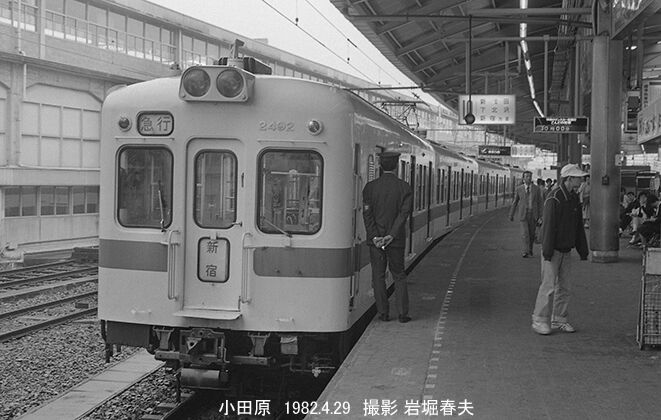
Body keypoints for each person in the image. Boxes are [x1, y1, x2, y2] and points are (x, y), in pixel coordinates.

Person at [531, 164, 589, 335]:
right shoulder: (554, 198)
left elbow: (578, 226)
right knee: (548, 286)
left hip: (565, 250)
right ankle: (539, 320)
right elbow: (548, 227)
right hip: (553, 250)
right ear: (569, 179)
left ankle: (559, 319)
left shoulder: (573, 198)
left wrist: (582, 250)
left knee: (565, 287)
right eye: (578, 178)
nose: (581, 180)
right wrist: (547, 251)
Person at [362, 150, 413, 323]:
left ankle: (383, 313)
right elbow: (404, 214)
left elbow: (367, 214)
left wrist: (375, 237)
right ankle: (402, 314)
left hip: (375, 243)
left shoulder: (370, 188)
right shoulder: (404, 187)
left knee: (378, 276)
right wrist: (391, 235)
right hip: (396, 241)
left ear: (380, 165)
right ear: (397, 165)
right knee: (399, 275)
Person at [509, 170, 544, 258]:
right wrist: (511, 214)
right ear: (523, 178)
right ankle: (525, 251)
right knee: (525, 234)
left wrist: (541, 216)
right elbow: (515, 202)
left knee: (532, 234)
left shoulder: (536, 189)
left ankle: (530, 249)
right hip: (523, 215)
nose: (528, 178)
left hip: (533, 215)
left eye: (530, 176)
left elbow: (540, 202)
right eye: (527, 176)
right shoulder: (519, 189)